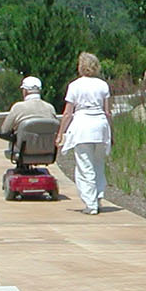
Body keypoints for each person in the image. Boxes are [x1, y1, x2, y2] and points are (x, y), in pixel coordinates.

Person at [56, 52, 112, 215]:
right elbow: (107, 112)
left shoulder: (75, 86)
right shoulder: (103, 85)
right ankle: (98, 197)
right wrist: (111, 133)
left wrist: (61, 133)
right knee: (98, 164)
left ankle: (90, 203)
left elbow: (67, 113)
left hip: (82, 127)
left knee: (85, 166)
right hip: (100, 127)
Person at [0, 76, 57, 142]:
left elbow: (4, 130)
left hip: (23, 150)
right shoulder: (50, 108)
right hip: (47, 149)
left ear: (25, 91)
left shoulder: (18, 107)